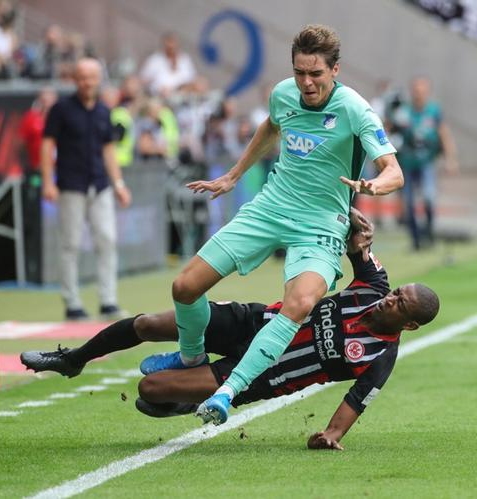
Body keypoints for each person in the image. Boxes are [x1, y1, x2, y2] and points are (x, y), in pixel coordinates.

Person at [145, 25, 405, 426]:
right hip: (270, 207)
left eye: (315, 74)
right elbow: (271, 125)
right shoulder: (285, 93)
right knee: (184, 287)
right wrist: (233, 176)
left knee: (298, 304)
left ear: (335, 70)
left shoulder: (355, 109)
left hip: (320, 224)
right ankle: (191, 356)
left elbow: (394, 171)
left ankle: (227, 392)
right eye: (300, 72)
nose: (306, 82)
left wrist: (373, 185)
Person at [20, 225, 440, 450]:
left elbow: (354, 404)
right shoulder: (373, 285)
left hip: (259, 375)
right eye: (397, 294)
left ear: (409, 325)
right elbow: (355, 241)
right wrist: (357, 223)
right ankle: (73, 359)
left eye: (400, 305)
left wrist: (330, 435)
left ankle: (187, 397)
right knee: (150, 324)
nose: (391, 300)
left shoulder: (378, 358)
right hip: (254, 322)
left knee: (149, 390)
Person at [41, 57, 132, 321]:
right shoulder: (61, 109)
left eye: (91, 77)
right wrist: (48, 181)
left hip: (100, 185)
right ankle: (72, 303)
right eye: (81, 77)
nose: (86, 82)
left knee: (107, 240)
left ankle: (108, 300)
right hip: (71, 185)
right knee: (69, 245)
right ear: (75, 79)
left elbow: (108, 150)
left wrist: (119, 184)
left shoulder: (104, 111)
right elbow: (47, 145)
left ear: (98, 79)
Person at [395, 76, 458, 251]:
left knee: (429, 198)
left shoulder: (433, 111)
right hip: (407, 162)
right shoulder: (403, 112)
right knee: (409, 203)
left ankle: (428, 232)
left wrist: (450, 158)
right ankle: (415, 240)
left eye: (422, 91)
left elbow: (444, 134)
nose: (418, 95)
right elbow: (389, 131)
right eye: (416, 91)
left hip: (426, 162)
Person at [140, 32, 197, 98]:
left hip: (183, 97)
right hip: (159, 97)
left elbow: (192, 80)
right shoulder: (154, 60)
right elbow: (143, 80)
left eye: (173, 47)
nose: (171, 49)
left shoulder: (185, 59)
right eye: (169, 48)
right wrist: (159, 89)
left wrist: (182, 88)